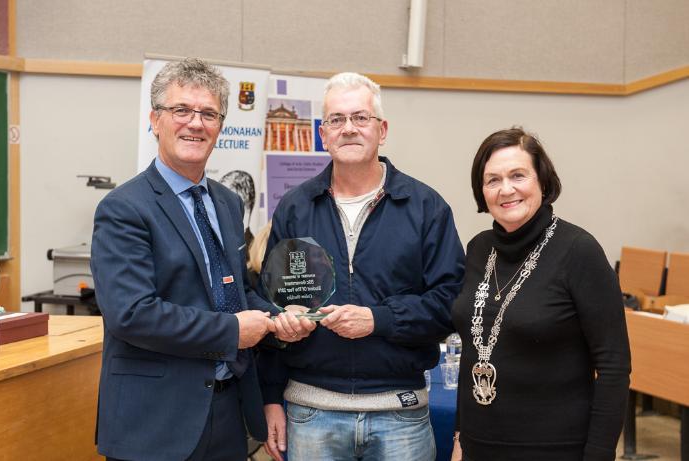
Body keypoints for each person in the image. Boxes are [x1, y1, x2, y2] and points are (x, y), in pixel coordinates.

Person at [258, 72, 465, 461]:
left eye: (360, 117)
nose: (348, 129)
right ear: (324, 134)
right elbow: (272, 300)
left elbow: (451, 303)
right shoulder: (295, 207)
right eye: (336, 119)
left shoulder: (425, 207)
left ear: (381, 129)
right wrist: (281, 330)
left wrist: (378, 320)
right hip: (310, 415)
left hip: (400, 416)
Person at [90, 58, 276, 461]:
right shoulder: (124, 208)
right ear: (155, 120)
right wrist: (231, 332)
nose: (196, 123)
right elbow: (132, 314)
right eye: (182, 111)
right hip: (154, 422)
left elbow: (237, 289)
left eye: (208, 113)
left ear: (220, 127)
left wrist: (278, 319)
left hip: (227, 414)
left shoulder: (226, 203)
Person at [451, 127, 631, 461]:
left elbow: (614, 366)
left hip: (554, 448)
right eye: (492, 180)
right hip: (480, 445)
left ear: (543, 182)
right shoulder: (478, 249)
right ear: (481, 190)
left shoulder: (579, 251)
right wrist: (460, 437)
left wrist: (599, 454)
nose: (506, 189)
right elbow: (474, 354)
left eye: (518, 175)